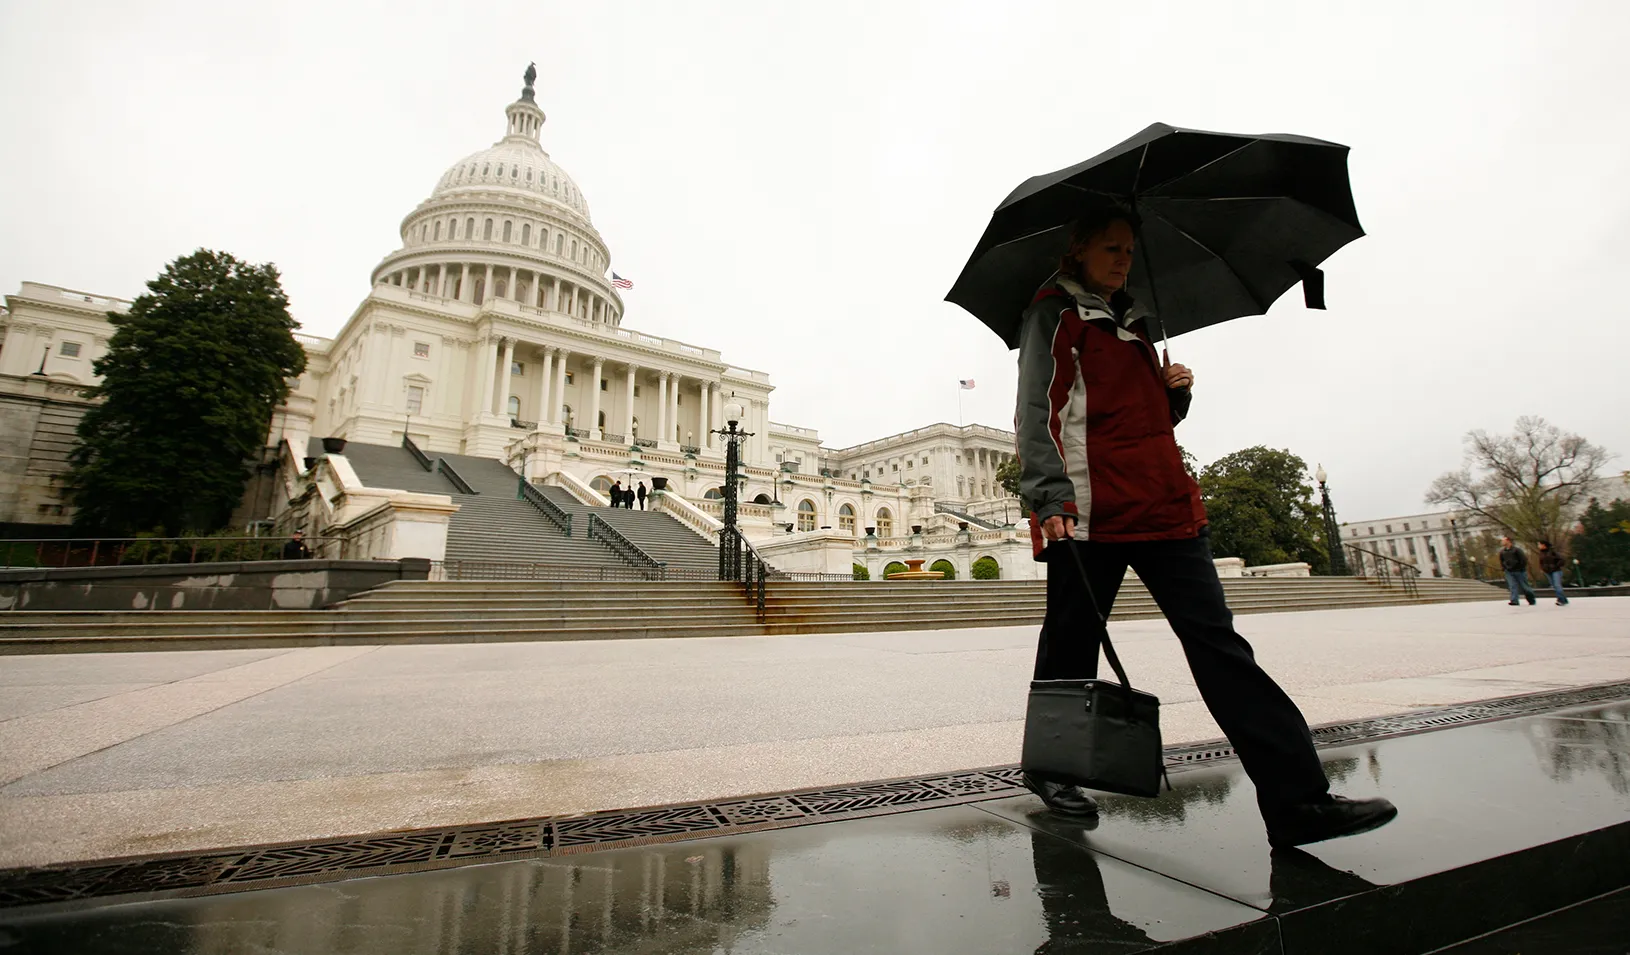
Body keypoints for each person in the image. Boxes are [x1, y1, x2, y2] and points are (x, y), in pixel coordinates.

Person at [1013, 206, 1395, 848]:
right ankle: (1051, 770)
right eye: (1110, 247)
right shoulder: (1055, 314)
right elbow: (1036, 410)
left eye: (1129, 251)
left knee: (1222, 651)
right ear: (1078, 248)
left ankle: (1298, 801)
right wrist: (1048, 496)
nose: (1122, 259)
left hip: (1166, 508)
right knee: (1071, 647)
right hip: (1090, 515)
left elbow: (1144, 424)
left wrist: (1174, 394)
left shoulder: (1135, 322)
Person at [1499, 536, 1538, 606]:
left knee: (1525, 586)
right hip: (1509, 572)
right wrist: (1504, 568)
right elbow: (1502, 561)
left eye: (1503, 540)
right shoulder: (1502, 552)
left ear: (1508, 541)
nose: (1502, 542)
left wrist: (1520, 567)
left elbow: (1523, 560)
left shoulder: (1517, 550)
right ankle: (1514, 600)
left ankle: (1531, 599)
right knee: (1512, 586)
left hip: (1519, 571)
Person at [1537, 540, 1569, 606]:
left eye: (1539, 544)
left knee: (1557, 585)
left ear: (1544, 545)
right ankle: (1564, 599)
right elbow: (1541, 562)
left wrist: (1556, 566)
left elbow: (1562, 560)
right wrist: (1542, 568)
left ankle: (1560, 600)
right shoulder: (1541, 553)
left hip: (1556, 571)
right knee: (1554, 585)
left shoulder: (1552, 552)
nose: (1538, 546)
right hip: (1547, 572)